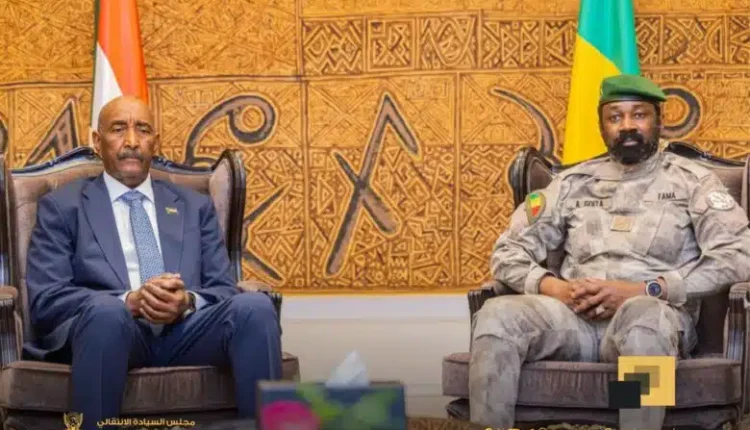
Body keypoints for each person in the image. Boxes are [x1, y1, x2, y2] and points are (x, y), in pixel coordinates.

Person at [469, 74, 750, 429]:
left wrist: (645, 289)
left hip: (653, 314)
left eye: (639, 114)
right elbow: (507, 252)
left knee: (646, 321)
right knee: (497, 315)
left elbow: (737, 256)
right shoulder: (571, 184)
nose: (627, 126)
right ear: (602, 126)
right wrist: (557, 289)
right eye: (615, 117)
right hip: (572, 319)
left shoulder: (692, 181)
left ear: (659, 120)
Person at [23, 96, 282, 430]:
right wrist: (129, 302)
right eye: (119, 129)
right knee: (107, 313)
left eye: (143, 130)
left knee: (255, 307)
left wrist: (187, 302)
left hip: (187, 331)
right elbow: (47, 299)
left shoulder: (194, 206)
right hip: (110, 331)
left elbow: (222, 288)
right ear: (97, 141)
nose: (132, 141)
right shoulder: (62, 206)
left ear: (155, 143)